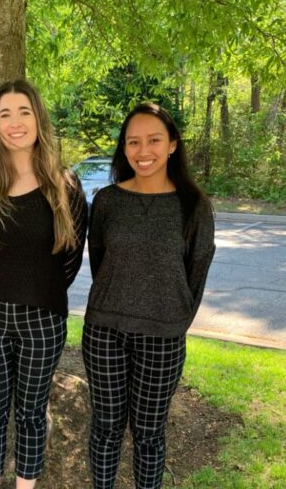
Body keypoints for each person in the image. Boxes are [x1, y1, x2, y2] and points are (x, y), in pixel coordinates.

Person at [0, 79, 88, 489]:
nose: (15, 123)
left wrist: (37, 291)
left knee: (32, 413)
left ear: (39, 118)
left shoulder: (65, 186)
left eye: (24, 112)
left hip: (43, 319)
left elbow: (71, 258)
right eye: (4, 114)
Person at [82, 103, 216, 489]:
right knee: (106, 428)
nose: (144, 151)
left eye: (154, 140)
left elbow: (197, 271)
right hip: (104, 332)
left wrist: (173, 321)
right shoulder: (107, 201)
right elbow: (100, 261)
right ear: (124, 149)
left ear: (172, 144)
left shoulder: (194, 206)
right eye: (133, 142)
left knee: (149, 434)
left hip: (164, 338)